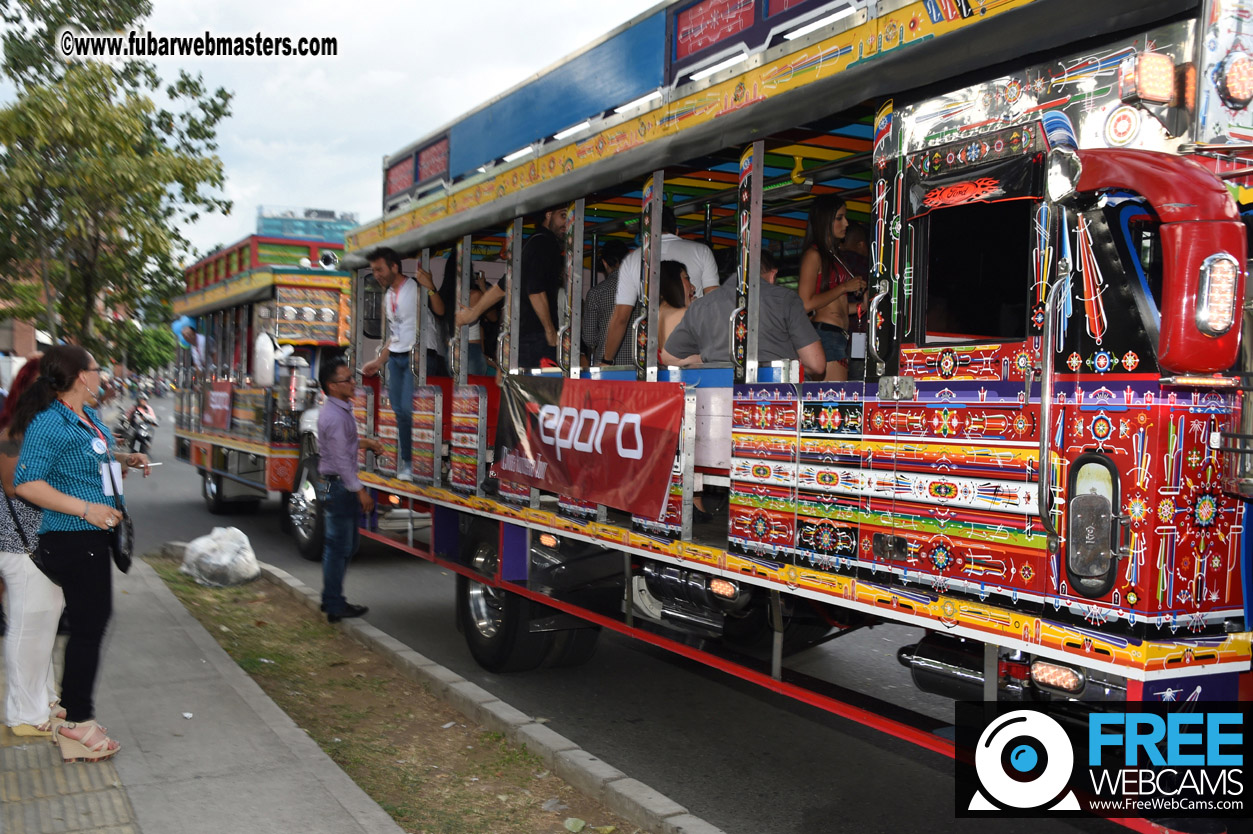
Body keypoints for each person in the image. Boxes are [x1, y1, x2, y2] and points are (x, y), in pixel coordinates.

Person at [12, 345, 151, 763]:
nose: (102, 375)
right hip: (74, 538)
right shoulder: (50, 423)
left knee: (90, 625)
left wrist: (123, 457)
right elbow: (26, 482)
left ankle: (71, 712)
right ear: (80, 376)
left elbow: (91, 455)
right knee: (90, 628)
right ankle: (77, 722)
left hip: (93, 538)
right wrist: (88, 509)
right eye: (96, 369)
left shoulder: (83, 416)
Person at [0, 356, 63, 739]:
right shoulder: (13, 435)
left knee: (43, 624)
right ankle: (23, 713)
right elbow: (15, 485)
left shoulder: (31, 432)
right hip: (18, 544)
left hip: (35, 544)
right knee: (28, 627)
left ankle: (43, 699)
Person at [661, 251, 826, 380]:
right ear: (772, 275)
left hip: (717, 396)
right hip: (774, 400)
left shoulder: (700, 306)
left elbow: (669, 358)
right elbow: (816, 364)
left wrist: (709, 360)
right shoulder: (786, 299)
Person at [455, 206, 570, 369]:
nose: (567, 223)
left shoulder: (531, 242)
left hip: (522, 340)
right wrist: (550, 332)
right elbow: (535, 290)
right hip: (538, 339)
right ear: (548, 215)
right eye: (563, 215)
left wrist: (473, 313)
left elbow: (502, 286)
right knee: (542, 392)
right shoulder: (545, 243)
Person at [601, 207, 719, 364]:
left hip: (652, 350)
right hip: (696, 347)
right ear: (676, 231)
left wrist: (607, 359)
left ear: (644, 233)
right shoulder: (702, 251)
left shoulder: (632, 260)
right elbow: (714, 303)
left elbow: (621, 317)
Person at [316, 357, 385, 623]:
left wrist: (364, 442)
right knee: (339, 547)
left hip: (334, 483)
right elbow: (342, 461)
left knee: (344, 545)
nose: (353, 383)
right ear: (332, 386)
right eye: (347, 380)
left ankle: (332, 600)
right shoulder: (334, 416)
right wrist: (360, 491)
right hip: (338, 485)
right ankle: (334, 604)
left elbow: (344, 447)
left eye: (351, 378)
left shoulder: (339, 410)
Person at [360, 247, 437, 481]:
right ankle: (407, 462)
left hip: (418, 356)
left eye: (380, 269)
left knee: (408, 409)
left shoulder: (414, 288)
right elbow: (394, 335)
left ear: (395, 267)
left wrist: (419, 348)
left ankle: (415, 462)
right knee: (399, 410)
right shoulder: (388, 295)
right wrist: (378, 360)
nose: (377, 275)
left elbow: (437, 313)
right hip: (396, 357)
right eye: (373, 271)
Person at [797, 196, 868, 381]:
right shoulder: (813, 255)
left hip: (839, 336)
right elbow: (805, 303)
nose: (846, 223)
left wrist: (864, 305)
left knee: (835, 400)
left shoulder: (834, 255)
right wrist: (844, 287)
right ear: (825, 221)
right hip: (826, 334)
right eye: (839, 218)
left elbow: (837, 306)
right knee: (832, 401)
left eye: (845, 217)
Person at [580, 240, 631, 366]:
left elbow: (590, 338)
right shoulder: (642, 290)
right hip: (638, 363)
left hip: (607, 364)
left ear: (604, 263)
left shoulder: (596, 293)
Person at [656, 260, 694, 355]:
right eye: (687, 279)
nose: (693, 287)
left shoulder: (658, 312)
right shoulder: (681, 314)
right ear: (673, 281)